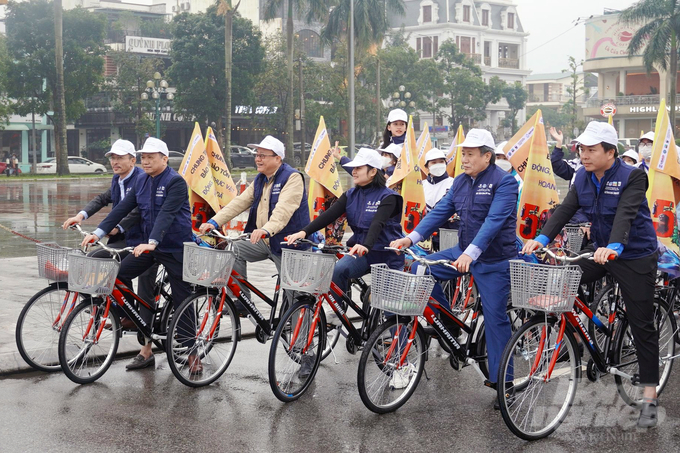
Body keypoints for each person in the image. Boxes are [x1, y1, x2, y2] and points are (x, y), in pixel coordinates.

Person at [522, 121, 661, 428]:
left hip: (634, 254)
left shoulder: (633, 176)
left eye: (592, 149)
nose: (584, 154)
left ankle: (650, 396)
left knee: (642, 325)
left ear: (610, 152)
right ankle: (573, 338)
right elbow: (565, 209)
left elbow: (625, 213)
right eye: (581, 149)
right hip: (599, 251)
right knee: (560, 277)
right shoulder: (583, 177)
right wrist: (541, 239)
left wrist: (614, 244)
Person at [390, 128, 519, 406]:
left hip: (494, 259)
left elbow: (494, 222)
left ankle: (504, 382)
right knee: (419, 269)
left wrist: (472, 253)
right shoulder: (460, 182)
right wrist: (410, 237)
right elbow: (439, 212)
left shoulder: (504, 183)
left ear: (488, 156)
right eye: (463, 154)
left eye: (471, 154)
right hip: (462, 251)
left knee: (495, 320)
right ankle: (449, 322)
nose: (465, 159)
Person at [80, 137, 199, 373]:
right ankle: (136, 320)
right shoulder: (142, 180)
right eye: (143, 157)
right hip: (148, 247)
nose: (145, 162)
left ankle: (193, 352)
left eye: (150, 157)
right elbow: (123, 208)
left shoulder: (175, 182)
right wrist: (98, 233)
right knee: (117, 274)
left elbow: (166, 214)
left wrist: (153, 242)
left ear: (164, 159)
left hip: (174, 248)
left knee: (183, 299)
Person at [286, 147, 404, 378]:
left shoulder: (389, 196)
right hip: (363, 252)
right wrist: (303, 232)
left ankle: (400, 365)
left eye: (358, 168)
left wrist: (367, 244)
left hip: (387, 254)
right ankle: (338, 313)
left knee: (393, 313)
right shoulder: (350, 195)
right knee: (338, 270)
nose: (354, 172)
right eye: (353, 168)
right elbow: (328, 216)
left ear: (373, 172)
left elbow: (377, 224)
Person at [198, 135, 310, 309]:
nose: (257, 159)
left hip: (289, 244)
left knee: (296, 298)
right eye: (257, 155)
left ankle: (301, 335)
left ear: (277, 158)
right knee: (233, 249)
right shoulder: (260, 179)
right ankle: (243, 301)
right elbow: (239, 202)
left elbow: (283, 211)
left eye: (263, 155)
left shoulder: (292, 178)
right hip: (265, 241)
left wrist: (266, 229)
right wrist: (214, 222)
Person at [62, 139, 157, 339]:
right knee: (93, 261)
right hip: (122, 238)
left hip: (142, 237)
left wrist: (116, 227)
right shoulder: (117, 179)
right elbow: (102, 199)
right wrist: (80, 215)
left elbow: (139, 210)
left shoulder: (142, 178)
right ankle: (118, 311)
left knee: (145, 284)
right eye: (112, 158)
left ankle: (145, 335)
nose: (115, 162)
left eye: (120, 158)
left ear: (133, 160)